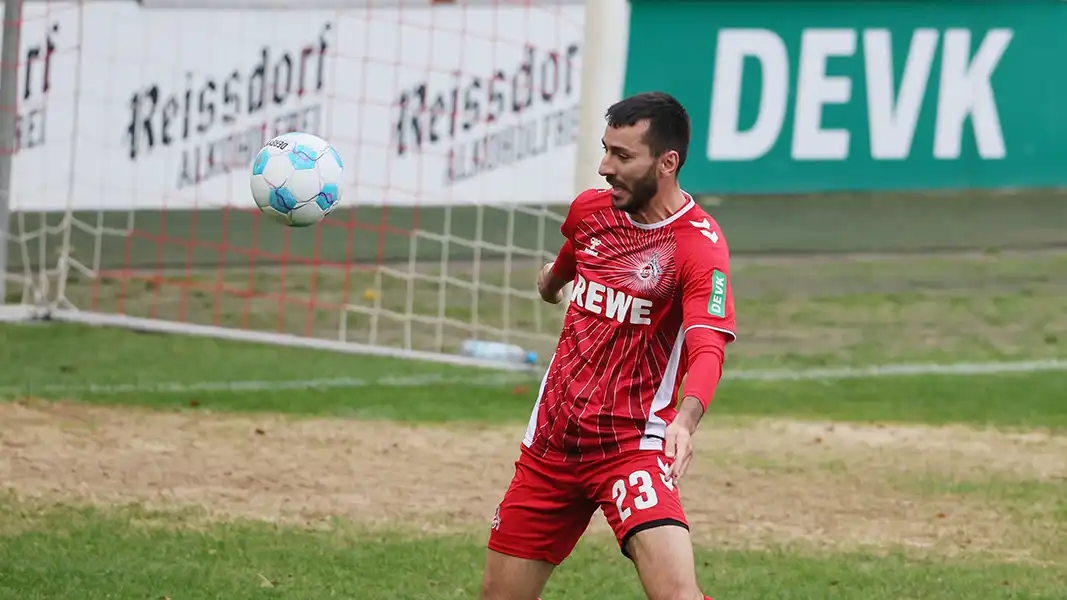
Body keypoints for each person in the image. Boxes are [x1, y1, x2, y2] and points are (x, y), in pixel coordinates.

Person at [478, 91, 737, 600]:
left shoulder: (697, 247)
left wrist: (686, 420)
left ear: (667, 163)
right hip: (552, 442)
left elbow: (708, 345)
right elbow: (574, 254)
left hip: (630, 447)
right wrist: (553, 282)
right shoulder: (591, 211)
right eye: (605, 150)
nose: (604, 167)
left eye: (622, 156)